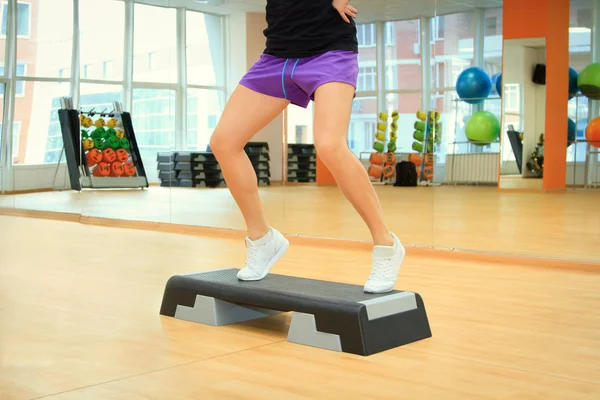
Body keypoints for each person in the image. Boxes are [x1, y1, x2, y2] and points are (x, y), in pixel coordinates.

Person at [209, 0, 404, 293]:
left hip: (330, 50)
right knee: (224, 142)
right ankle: (262, 239)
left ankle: (386, 244)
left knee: (329, 145)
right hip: (277, 55)